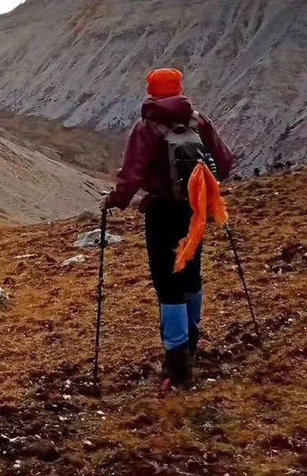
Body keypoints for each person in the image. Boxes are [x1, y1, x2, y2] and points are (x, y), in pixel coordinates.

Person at [104, 69, 234, 389]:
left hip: (162, 211)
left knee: (167, 283)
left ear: (151, 91)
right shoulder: (198, 121)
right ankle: (192, 343)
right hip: (194, 210)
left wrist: (114, 201)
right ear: (179, 89)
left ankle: (177, 361)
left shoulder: (147, 127)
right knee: (191, 274)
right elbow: (225, 162)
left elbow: (132, 174)